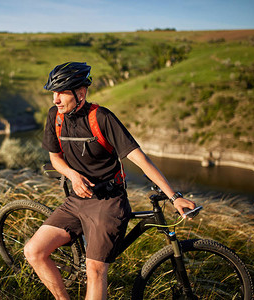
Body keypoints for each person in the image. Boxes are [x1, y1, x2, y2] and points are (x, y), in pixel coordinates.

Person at [23, 62, 196, 300]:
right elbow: (55, 158)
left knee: (95, 270)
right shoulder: (55, 116)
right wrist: (72, 175)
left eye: (61, 92)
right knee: (34, 251)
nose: (55, 99)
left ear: (80, 93)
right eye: (53, 92)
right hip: (76, 201)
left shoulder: (102, 118)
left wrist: (174, 197)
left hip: (108, 203)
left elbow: (141, 159)